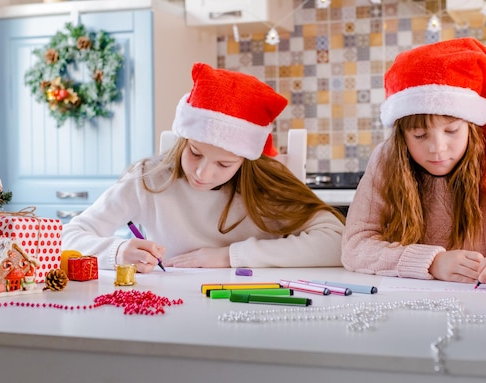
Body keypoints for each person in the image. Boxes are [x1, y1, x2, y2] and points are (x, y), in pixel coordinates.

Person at [62, 62, 345, 272]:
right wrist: (118, 250)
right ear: (183, 140)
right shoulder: (150, 179)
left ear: (246, 160)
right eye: (195, 153)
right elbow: (69, 236)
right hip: (171, 303)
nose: (202, 174)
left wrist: (230, 256)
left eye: (224, 164)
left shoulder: (267, 187)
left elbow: (337, 242)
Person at [342, 38, 486, 290]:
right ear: (402, 136)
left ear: (471, 127)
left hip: (476, 305)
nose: (437, 148)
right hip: (399, 301)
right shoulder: (387, 159)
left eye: (451, 131)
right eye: (420, 135)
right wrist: (433, 262)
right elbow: (355, 246)